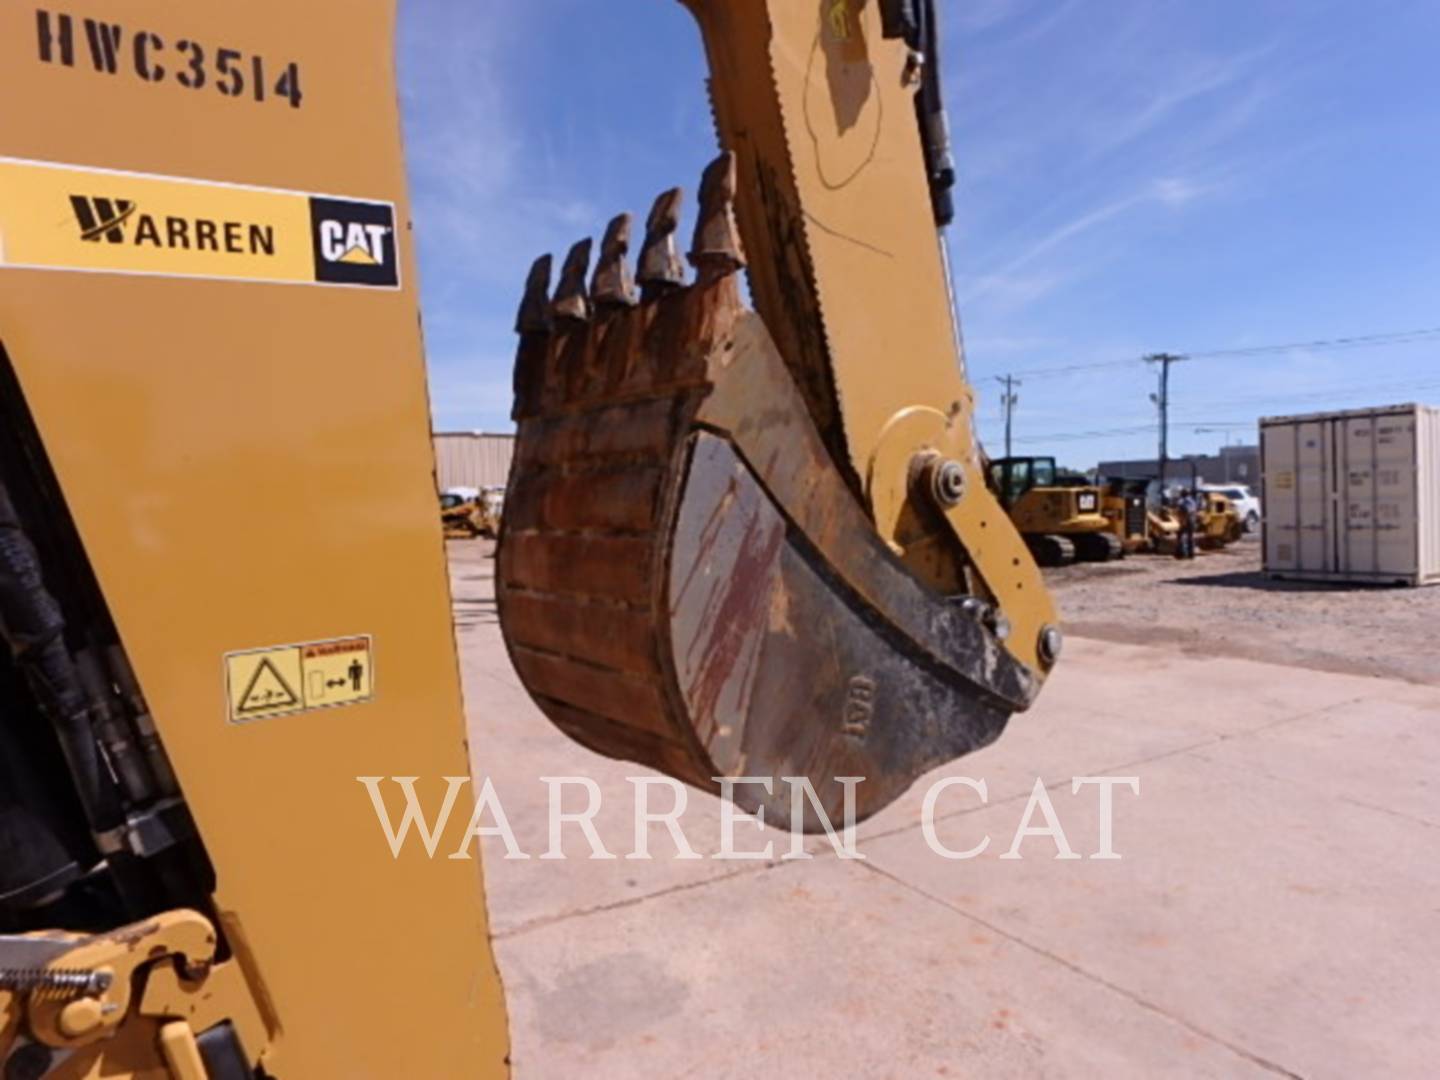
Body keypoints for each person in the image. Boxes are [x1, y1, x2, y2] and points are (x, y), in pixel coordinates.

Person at [1176, 489, 1199, 560]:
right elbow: (1194, 510)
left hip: (1187, 520)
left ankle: (1181, 554)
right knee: (1190, 537)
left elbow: (1187, 511)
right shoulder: (1192, 501)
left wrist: (1183, 521)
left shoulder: (1184, 501)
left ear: (1183, 494)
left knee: (1180, 536)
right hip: (1192, 520)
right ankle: (1191, 554)